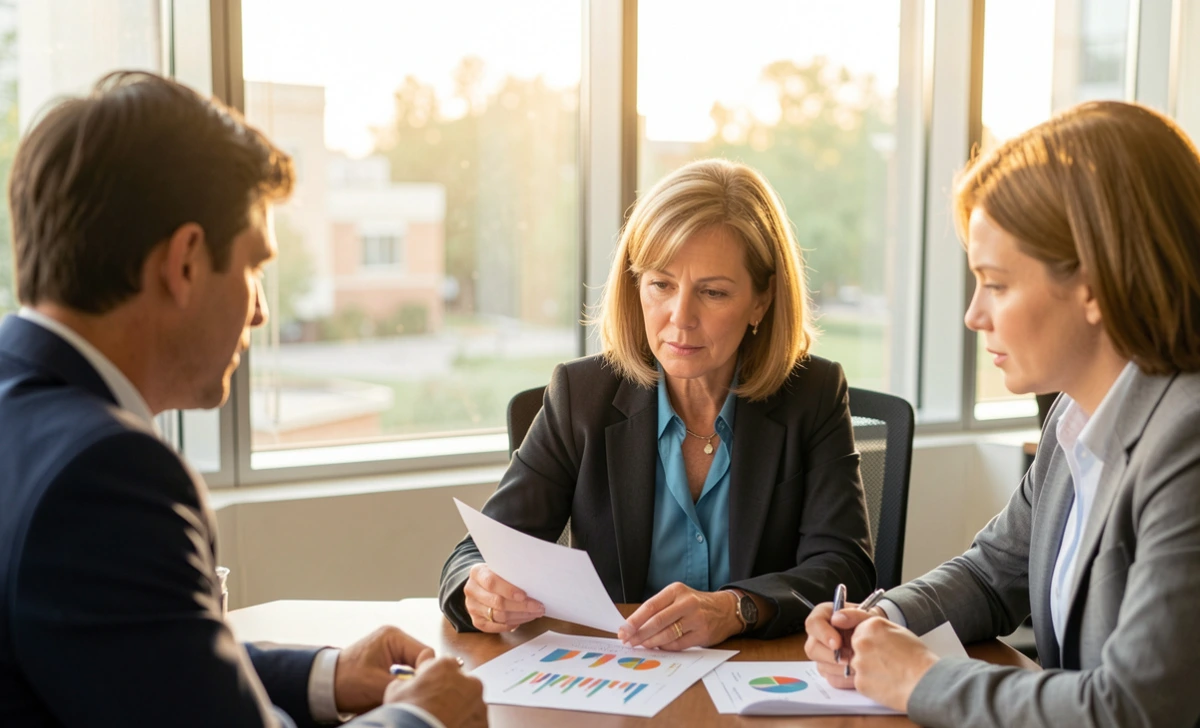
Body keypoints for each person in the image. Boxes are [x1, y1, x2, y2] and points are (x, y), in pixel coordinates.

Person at [0, 72, 485, 728]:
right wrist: (421, 720)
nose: (259, 310)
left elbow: (138, 652)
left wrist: (326, 676)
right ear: (186, 263)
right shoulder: (106, 474)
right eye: (255, 266)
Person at [804, 100, 1200, 727]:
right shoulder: (1076, 415)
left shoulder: (1186, 440)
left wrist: (921, 679)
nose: (974, 315)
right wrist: (885, 620)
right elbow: (993, 574)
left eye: (997, 282)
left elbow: (1136, 708)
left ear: (1093, 284)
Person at [439, 158, 875, 649]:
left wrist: (735, 608)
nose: (680, 317)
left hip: (755, 677)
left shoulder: (812, 394)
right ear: (636, 285)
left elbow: (845, 568)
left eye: (712, 292)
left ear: (761, 300)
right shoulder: (582, 396)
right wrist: (477, 589)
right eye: (661, 285)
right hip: (622, 675)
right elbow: (476, 553)